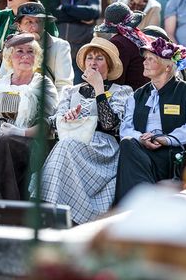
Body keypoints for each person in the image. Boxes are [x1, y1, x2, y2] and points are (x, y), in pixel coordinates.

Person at [37, 37, 133, 224]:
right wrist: (68, 118)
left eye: (99, 58)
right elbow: (57, 123)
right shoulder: (71, 92)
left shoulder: (122, 91)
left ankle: (47, 207)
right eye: (90, 58)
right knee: (65, 145)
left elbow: (110, 124)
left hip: (102, 147)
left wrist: (98, 87)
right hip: (72, 141)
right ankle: (51, 210)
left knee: (66, 147)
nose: (93, 62)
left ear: (109, 65)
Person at [114, 37, 186, 204]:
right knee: (128, 143)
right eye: (145, 59)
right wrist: (142, 139)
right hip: (142, 150)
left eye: (151, 59)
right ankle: (144, 205)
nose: (145, 63)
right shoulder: (137, 95)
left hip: (172, 154)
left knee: (130, 154)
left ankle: (134, 206)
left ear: (167, 66)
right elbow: (126, 129)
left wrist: (165, 140)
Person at [0, 33, 58, 200]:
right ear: (10, 57)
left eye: (30, 51)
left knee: (5, 143)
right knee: (2, 144)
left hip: (32, 143)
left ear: (36, 57)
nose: (25, 55)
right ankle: (2, 204)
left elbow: (48, 124)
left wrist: (18, 132)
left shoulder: (43, 85)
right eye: (19, 51)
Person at [0, 2, 74, 95]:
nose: (35, 27)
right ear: (19, 26)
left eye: (39, 21)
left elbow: (64, 85)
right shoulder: (11, 46)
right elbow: (1, 79)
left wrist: (55, 107)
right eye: (29, 22)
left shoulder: (60, 46)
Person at [50, 0, 101, 84]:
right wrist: (80, 17)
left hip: (81, 58)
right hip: (58, 56)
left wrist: (65, 8)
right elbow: (53, 14)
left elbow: (92, 13)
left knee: (79, 92)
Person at [95, 2, 150, 90]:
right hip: (144, 90)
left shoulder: (118, 43)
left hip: (130, 94)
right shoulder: (137, 35)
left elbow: (116, 77)